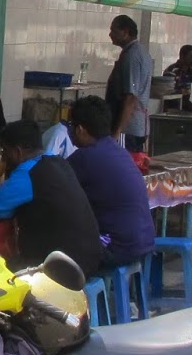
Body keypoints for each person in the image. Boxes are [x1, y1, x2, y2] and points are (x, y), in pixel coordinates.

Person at [0, 120, 104, 274]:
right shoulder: (58, 162)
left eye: (5, 152)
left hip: (64, 266)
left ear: (18, 151)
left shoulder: (29, 173)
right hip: (89, 257)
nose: (4, 158)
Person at [65, 96, 156, 267]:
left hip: (118, 248)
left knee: (54, 248)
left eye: (71, 126)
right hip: (144, 241)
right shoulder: (117, 150)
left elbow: (56, 190)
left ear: (81, 130)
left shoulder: (85, 158)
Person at [105, 14, 152, 153]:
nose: (110, 34)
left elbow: (130, 97)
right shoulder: (139, 51)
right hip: (134, 127)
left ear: (125, 32)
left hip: (128, 128)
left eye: (113, 30)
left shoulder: (132, 56)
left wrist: (116, 132)